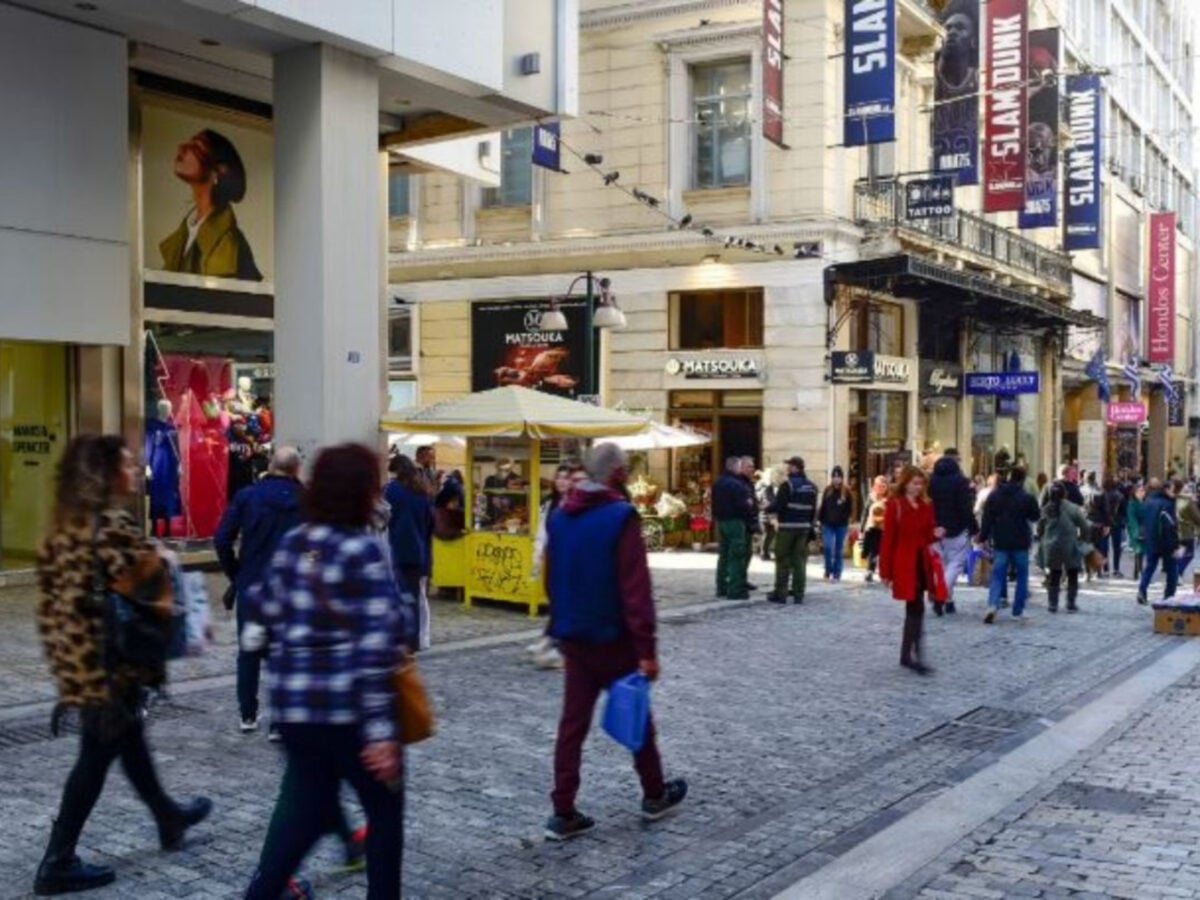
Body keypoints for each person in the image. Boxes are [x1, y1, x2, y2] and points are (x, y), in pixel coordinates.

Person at [33, 435, 211, 896]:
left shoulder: (65, 524)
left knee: (128, 740)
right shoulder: (110, 523)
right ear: (106, 472)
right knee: (95, 756)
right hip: (112, 663)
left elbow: (52, 600)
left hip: (81, 658)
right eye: (128, 463)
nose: (136, 470)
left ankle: (167, 816)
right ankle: (57, 860)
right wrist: (166, 557)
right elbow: (148, 584)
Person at [243, 444, 410, 900]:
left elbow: (262, 604)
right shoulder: (363, 550)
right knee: (384, 814)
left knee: (306, 816)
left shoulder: (296, 542)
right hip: (350, 713)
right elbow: (377, 646)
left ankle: (261, 893)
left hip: (297, 711)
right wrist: (380, 732)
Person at [542, 443, 687, 841]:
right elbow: (635, 588)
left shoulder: (559, 515)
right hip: (614, 637)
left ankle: (563, 808)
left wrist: (561, 622)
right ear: (619, 473)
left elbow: (551, 578)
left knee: (572, 726)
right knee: (636, 715)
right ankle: (654, 792)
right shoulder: (621, 516)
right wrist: (647, 650)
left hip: (574, 635)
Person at [215, 446, 305, 735]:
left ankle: (248, 714)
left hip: (253, 585)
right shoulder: (306, 500)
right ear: (296, 469)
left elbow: (221, 539)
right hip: (290, 588)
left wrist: (235, 574)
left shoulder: (247, 496)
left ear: (270, 465)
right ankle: (279, 722)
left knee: (249, 650)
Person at [159, 129, 262, 280]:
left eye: (196, 146)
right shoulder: (185, 233)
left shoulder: (230, 244)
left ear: (218, 171)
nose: (181, 147)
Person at [879, 465, 945, 675]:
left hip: (921, 563)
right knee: (915, 608)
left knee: (916, 609)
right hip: (905, 564)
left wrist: (937, 533)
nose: (918, 487)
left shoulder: (926, 506)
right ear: (905, 483)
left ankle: (908, 654)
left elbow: (927, 535)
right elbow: (888, 540)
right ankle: (914, 656)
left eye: (921, 483)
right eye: (914, 483)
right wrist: (885, 571)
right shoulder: (895, 505)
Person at [528, 463, 585, 670]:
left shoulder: (577, 503)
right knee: (554, 598)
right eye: (558, 477)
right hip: (553, 556)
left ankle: (555, 643)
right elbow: (541, 531)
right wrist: (536, 557)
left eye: (566, 477)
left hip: (571, 559)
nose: (561, 481)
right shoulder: (549, 503)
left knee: (564, 602)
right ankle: (550, 640)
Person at [979, 466, 1040, 624]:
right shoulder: (1026, 497)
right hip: (1020, 541)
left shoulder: (995, 495)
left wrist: (982, 536)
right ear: (1023, 479)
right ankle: (1017, 611)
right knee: (1021, 577)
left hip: (1001, 540)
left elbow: (987, 518)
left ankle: (993, 605)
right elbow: (1035, 516)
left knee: (998, 575)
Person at [384, 455, 432, 651]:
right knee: (413, 597)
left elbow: (384, 519)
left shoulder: (391, 490)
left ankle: (397, 638)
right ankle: (412, 640)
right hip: (418, 550)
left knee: (394, 596)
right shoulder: (422, 492)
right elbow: (429, 524)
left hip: (396, 548)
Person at [928, 449, 976, 615]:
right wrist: (974, 527)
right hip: (957, 528)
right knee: (955, 565)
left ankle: (948, 600)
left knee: (941, 567)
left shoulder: (931, 480)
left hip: (935, 529)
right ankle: (940, 596)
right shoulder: (961, 481)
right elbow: (965, 507)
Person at [766, 456, 818, 604]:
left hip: (787, 528)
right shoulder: (812, 487)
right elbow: (813, 510)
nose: (787, 468)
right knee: (799, 561)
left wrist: (766, 508)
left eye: (789, 465)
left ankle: (780, 593)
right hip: (804, 529)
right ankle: (798, 594)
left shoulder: (787, 485)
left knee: (782, 559)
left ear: (796, 467)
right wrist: (811, 526)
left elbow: (779, 506)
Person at [1037, 483, 1094, 613]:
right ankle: (1070, 603)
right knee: (1072, 573)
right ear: (1065, 494)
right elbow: (1084, 526)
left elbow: (1040, 528)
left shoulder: (1046, 509)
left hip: (1051, 546)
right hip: (1070, 545)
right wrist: (1083, 540)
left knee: (1054, 574)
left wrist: (1043, 538)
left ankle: (1053, 604)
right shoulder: (1073, 508)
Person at [712, 457, 755, 600]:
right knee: (737, 555)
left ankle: (721, 587)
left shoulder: (718, 482)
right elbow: (744, 505)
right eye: (740, 466)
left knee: (723, 555)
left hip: (721, 522)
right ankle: (735, 589)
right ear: (735, 467)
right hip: (736, 522)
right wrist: (751, 518)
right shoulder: (736, 484)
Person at [1137, 478, 1180, 606]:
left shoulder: (1149, 501)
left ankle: (1142, 590)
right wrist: (1175, 544)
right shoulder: (1168, 504)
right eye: (1173, 491)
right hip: (1166, 542)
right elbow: (1170, 526)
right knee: (1172, 569)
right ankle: (1169, 595)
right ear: (1166, 490)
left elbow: (1144, 521)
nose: (1175, 493)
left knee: (1150, 567)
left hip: (1151, 540)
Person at [817, 466, 853, 581]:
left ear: (842, 478)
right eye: (834, 476)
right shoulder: (828, 490)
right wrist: (819, 520)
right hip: (827, 523)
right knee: (827, 547)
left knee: (838, 549)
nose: (836, 479)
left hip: (841, 525)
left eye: (838, 476)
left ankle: (837, 572)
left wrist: (846, 520)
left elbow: (850, 509)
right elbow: (823, 506)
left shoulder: (846, 492)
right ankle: (828, 570)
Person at [1081, 472, 1111, 580]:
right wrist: (1107, 525)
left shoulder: (1081, 490)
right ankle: (1098, 571)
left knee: (1085, 547)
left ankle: (1087, 571)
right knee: (1097, 547)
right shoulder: (1101, 492)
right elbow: (1106, 510)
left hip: (1084, 523)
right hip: (1098, 523)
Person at [860, 475, 889, 583]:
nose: (881, 488)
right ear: (875, 486)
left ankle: (876, 572)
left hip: (883, 529)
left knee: (879, 552)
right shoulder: (871, 497)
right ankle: (870, 570)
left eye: (883, 486)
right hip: (871, 528)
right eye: (879, 486)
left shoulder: (889, 499)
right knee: (869, 551)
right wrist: (861, 530)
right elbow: (865, 513)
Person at [1175, 479, 1200, 581]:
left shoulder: (1173, 499)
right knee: (1189, 554)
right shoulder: (1187, 502)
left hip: (1175, 531)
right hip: (1187, 532)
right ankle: (1178, 572)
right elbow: (1197, 517)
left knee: (1180, 553)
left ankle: (1176, 573)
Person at [1108, 477, 1130, 578]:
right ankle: (1116, 568)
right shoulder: (1120, 496)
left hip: (1105, 523)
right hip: (1117, 523)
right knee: (1117, 547)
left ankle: (1104, 567)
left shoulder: (1104, 494)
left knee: (1104, 547)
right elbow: (1124, 512)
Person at [756, 468, 779, 562]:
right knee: (768, 534)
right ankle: (763, 552)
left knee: (768, 534)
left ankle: (764, 552)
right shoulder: (767, 487)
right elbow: (769, 501)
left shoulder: (759, 486)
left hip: (765, 513)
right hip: (768, 514)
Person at [1127, 481, 1147, 580]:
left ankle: (1136, 572)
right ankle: (1141, 572)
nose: (1142, 492)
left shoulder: (1145, 502)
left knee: (1141, 552)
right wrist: (1136, 531)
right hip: (1136, 530)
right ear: (1135, 492)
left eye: (1143, 490)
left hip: (1145, 530)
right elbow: (1131, 518)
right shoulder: (1132, 503)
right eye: (1139, 491)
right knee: (1138, 550)